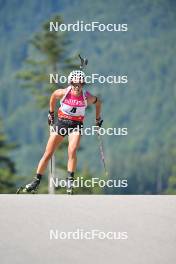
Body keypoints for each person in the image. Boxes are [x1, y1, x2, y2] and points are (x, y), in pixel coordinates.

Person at [24, 70, 103, 193]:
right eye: (75, 84)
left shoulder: (87, 97)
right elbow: (53, 96)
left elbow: (98, 103)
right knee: (48, 153)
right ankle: (36, 181)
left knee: (72, 151)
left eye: (80, 84)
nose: (77, 87)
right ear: (71, 83)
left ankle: (69, 182)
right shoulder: (63, 93)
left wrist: (97, 119)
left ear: (83, 84)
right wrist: (51, 113)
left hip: (76, 125)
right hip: (62, 122)